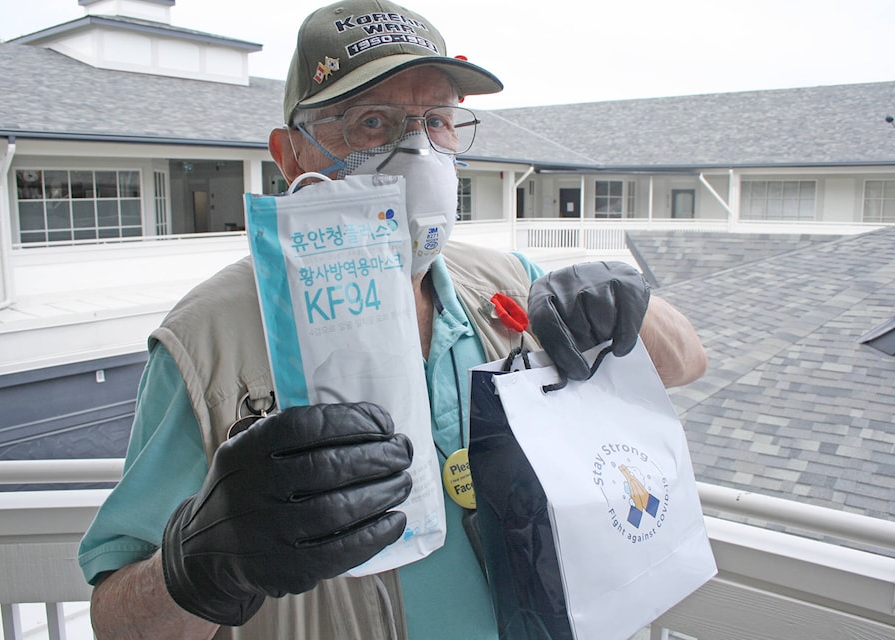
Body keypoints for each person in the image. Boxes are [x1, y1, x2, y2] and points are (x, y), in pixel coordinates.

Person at [77, 1, 708, 638]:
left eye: (436, 121)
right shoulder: (207, 343)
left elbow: (686, 363)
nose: (418, 152)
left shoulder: (506, 284)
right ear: (293, 156)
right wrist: (199, 566)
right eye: (373, 122)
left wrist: (631, 302)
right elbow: (116, 621)